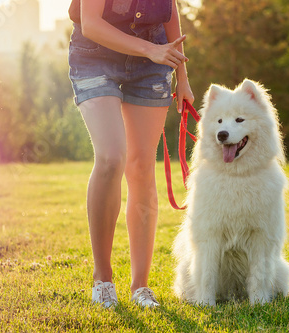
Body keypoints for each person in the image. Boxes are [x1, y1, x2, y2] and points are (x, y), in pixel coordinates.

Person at [67, 0, 194, 308]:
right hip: (95, 56)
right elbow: (92, 22)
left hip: (152, 63)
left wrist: (183, 76)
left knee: (140, 168)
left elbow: (170, 9)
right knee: (111, 157)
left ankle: (141, 287)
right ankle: (103, 278)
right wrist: (149, 50)